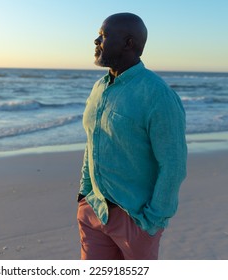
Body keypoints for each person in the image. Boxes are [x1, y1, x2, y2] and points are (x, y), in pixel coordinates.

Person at [77, 13, 187, 260]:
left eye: (103, 36)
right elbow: (92, 141)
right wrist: (84, 193)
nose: (96, 41)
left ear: (128, 43)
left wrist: (153, 220)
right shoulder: (99, 88)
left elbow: (174, 164)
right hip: (94, 208)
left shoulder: (158, 95)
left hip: (135, 219)